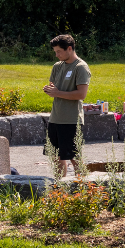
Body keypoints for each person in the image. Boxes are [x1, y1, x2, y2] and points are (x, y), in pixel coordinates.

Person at [42, 34, 91, 176]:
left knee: (74, 157)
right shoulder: (57, 66)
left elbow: (81, 94)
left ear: (69, 48)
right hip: (55, 118)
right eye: (55, 52)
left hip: (71, 120)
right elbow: (55, 87)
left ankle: (83, 189)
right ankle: (60, 190)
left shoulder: (81, 67)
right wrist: (50, 90)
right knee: (56, 156)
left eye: (59, 51)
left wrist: (57, 93)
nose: (56, 55)